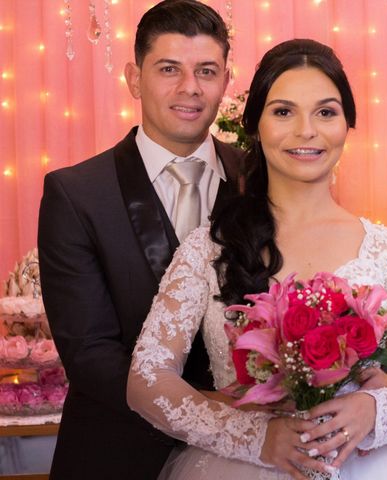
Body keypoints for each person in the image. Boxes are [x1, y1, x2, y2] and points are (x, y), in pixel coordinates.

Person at [127, 38, 387, 480]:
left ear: (347, 125)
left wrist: (374, 409)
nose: (306, 130)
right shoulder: (208, 248)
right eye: (283, 111)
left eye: (326, 112)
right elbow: (146, 380)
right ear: (254, 124)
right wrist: (253, 437)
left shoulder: (386, 249)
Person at [37, 1, 243, 479]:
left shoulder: (262, 180)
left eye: (207, 71)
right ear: (134, 78)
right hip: (119, 454)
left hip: (246, 463)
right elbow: (89, 353)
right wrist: (218, 417)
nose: (190, 88)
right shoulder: (76, 193)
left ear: (226, 82)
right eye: (169, 68)